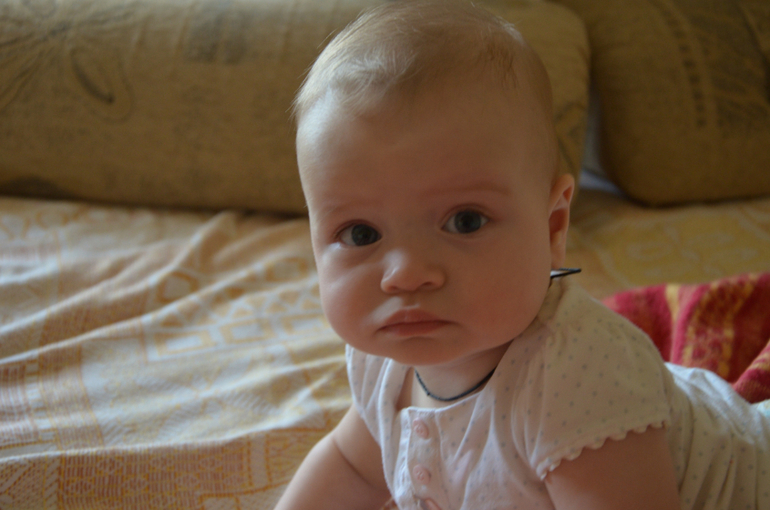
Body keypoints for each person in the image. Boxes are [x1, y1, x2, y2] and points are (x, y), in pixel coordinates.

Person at [275, 1, 770, 509]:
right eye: (360, 234)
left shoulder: (578, 380)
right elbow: (352, 466)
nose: (406, 274)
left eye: (465, 221)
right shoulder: (382, 356)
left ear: (553, 226)